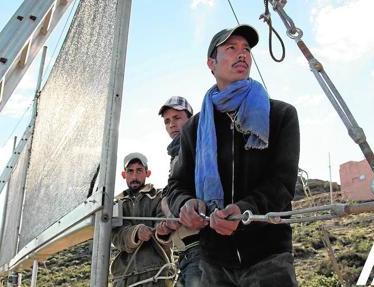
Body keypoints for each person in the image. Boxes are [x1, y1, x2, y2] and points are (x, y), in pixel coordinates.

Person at [166, 24, 300, 287]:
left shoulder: (281, 115)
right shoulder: (195, 127)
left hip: (269, 258)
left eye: (246, 49)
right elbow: (176, 185)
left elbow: (282, 184)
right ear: (211, 64)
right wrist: (185, 205)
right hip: (214, 262)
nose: (242, 54)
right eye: (231, 48)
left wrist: (243, 211)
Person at [111, 152, 174, 287]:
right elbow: (116, 236)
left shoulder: (160, 196)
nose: (134, 176)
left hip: (156, 273)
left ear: (147, 173)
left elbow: (163, 220)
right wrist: (136, 232)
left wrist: (162, 230)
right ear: (124, 175)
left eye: (139, 170)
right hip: (124, 277)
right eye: (130, 171)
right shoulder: (116, 204)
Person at [158, 97, 202, 287]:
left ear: (190, 119)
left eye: (177, 118)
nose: (171, 125)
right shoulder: (175, 154)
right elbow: (171, 198)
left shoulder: (198, 149)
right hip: (185, 251)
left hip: (202, 248)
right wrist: (167, 224)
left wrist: (170, 209)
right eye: (167, 121)